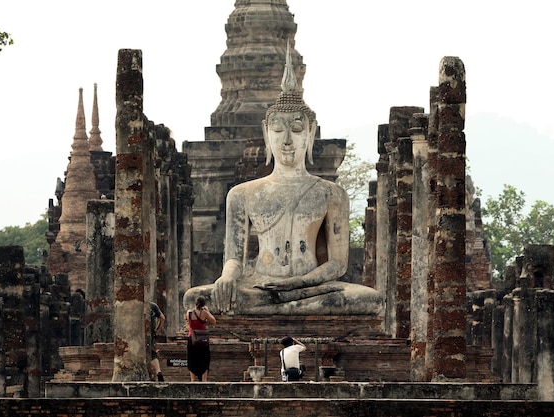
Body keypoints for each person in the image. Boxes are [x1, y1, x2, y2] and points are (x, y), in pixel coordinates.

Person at [183, 43, 382, 316]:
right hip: (260, 285)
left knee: (369, 300)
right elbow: (234, 258)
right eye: (278, 130)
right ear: (267, 134)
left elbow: (337, 265)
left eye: (297, 129)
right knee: (196, 297)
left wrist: (295, 284)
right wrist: (228, 277)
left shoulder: (331, 194)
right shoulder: (242, 194)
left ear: (310, 134)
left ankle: (283, 302)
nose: (287, 141)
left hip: (312, 288)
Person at [186, 296, 217, 381]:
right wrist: (207, 311)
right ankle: (204, 379)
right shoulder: (204, 313)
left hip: (191, 338)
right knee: (204, 359)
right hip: (202, 339)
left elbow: (189, 323)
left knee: (192, 358)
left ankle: (192, 379)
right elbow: (214, 321)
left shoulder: (189, 312)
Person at [149, 302, 165, 382]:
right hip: (150, 333)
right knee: (152, 354)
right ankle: (158, 372)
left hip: (138, 334)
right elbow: (162, 318)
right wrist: (157, 329)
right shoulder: (152, 306)